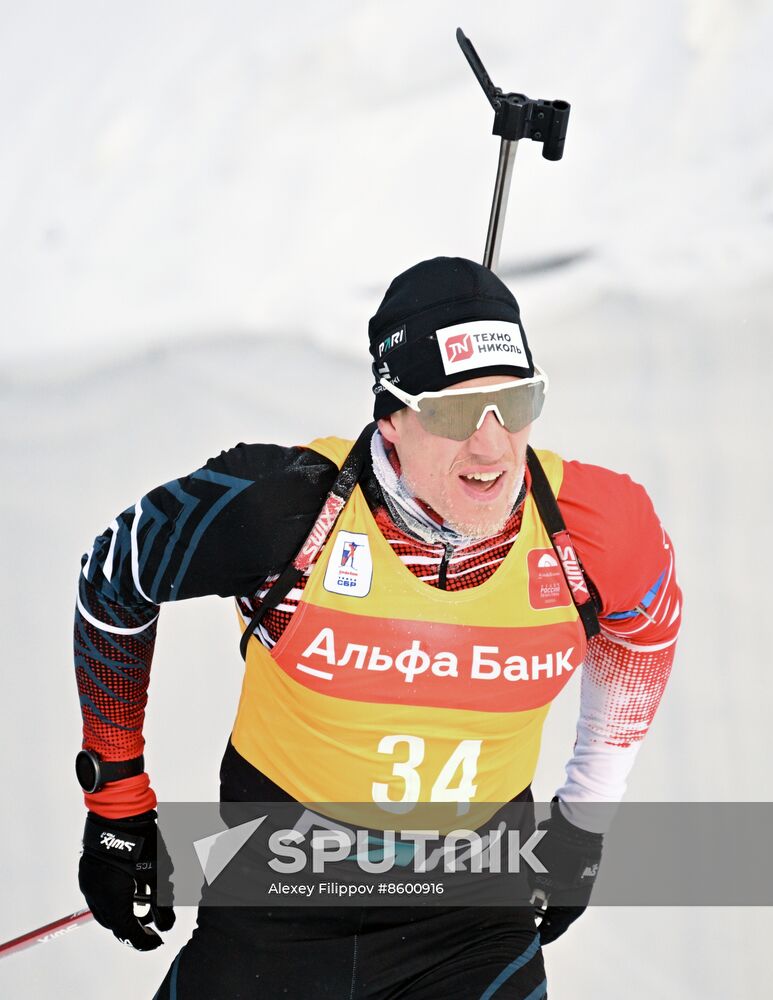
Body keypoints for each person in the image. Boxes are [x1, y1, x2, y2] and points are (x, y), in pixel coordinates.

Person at [74, 257, 681, 999]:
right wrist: (117, 803)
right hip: (276, 906)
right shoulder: (287, 512)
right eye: (454, 414)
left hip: (470, 924)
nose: (491, 448)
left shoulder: (592, 528)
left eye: (515, 402)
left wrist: (584, 822)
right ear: (389, 416)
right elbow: (115, 576)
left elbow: (643, 635)